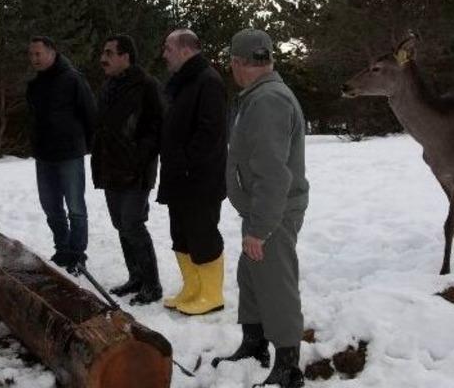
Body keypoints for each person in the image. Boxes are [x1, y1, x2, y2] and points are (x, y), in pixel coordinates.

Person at [212, 29, 309, 388]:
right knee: (251, 276)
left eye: (232, 64)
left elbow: (273, 172)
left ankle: (288, 365)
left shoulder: (269, 101)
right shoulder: (259, 95)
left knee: (276, 283)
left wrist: (260, 228)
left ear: (238, 64)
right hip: (260, 208)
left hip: (273, 212)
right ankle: (254, 346)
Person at [157, 29, 228, 316]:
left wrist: (186, 162)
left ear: (185, 50)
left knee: (203, 234)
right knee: (181, 234)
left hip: (200, 179)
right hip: (179, 176)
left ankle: (211, 294)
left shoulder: (208, 81)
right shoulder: (184, 82)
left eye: (168, 49)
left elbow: (210, 132)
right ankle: (192, 288)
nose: (164, 55)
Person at [91, 34, 164, 305]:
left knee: (133, 223)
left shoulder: (146, 85)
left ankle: (152, 285)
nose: (103, 58)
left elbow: (157, 128)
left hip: (137, 170)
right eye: (103, 52)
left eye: (109, 53)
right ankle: (135, 278)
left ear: (126, 56)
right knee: (120, 224)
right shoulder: (109, 86)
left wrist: (139, 158)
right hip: (111, 169)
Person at [26, 36, 96, 275]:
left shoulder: (73, 79)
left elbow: (90, 114)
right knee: (51, 207)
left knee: (75, 207)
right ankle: (62, 248)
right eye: (31, 55)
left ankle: (77, 255)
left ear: (52, 52)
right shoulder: (34, 85)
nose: (34, 59)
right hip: (44, 156)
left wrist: (87, 146)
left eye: (38, 54)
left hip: (69, 154)